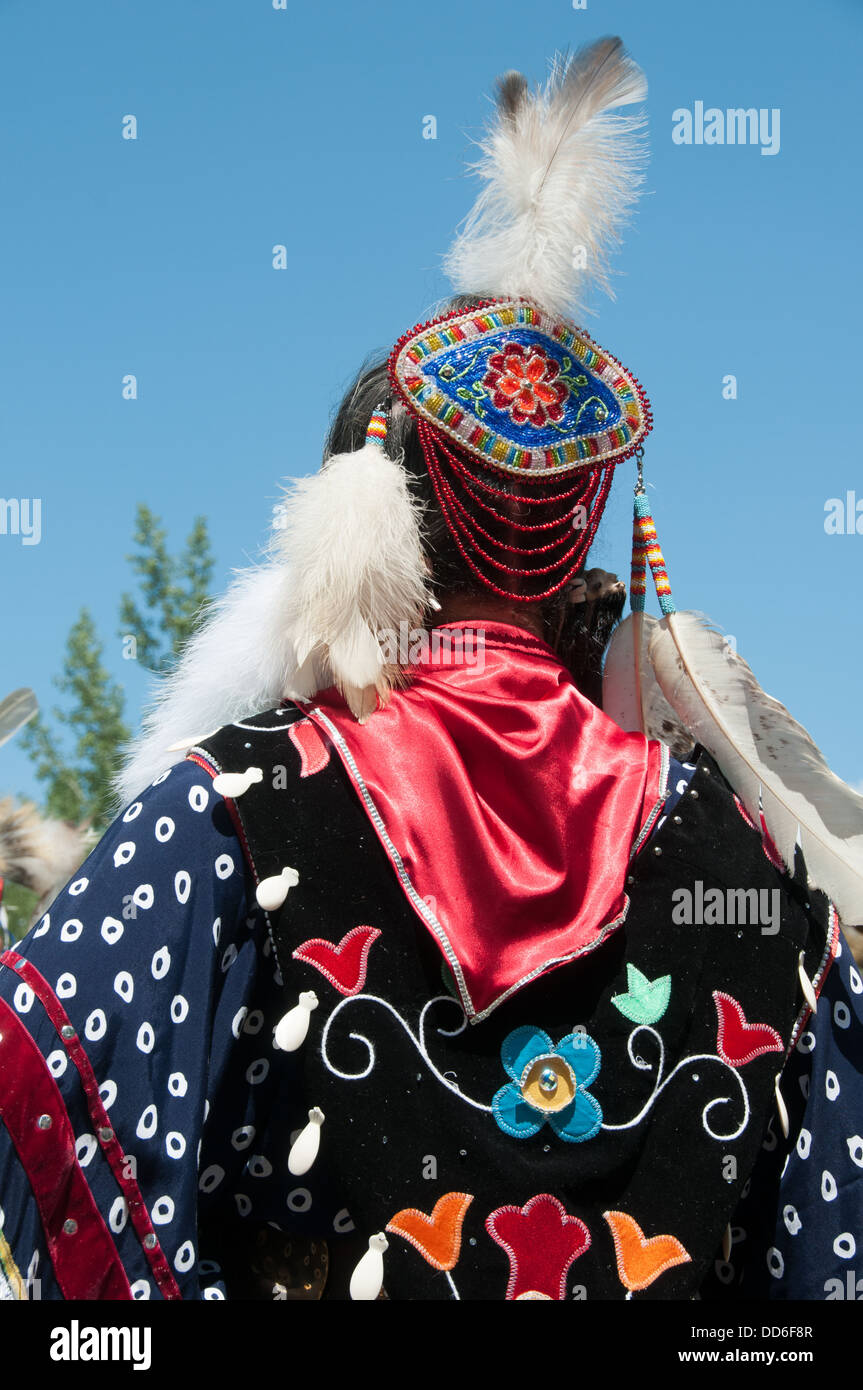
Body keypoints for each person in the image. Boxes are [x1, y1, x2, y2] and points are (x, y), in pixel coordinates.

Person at [1, 38, 861, 1303]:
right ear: (580, 534)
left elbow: (40, 1070)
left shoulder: (233, 813)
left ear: (374, 512)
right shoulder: (753, 872)